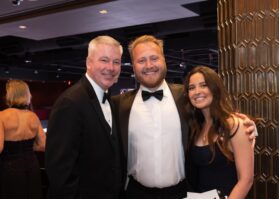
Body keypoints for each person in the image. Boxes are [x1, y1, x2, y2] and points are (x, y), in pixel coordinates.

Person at [112, 35, 257, 199]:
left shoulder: (187, 96)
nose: (149, 65)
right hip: (136, 193)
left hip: (183, 192)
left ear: (164, 60)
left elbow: (216, 117)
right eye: (141, 60)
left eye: (154, 58)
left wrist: (248, 126)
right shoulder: (118, 105)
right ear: (133, 66)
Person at [45, 36, 124, 199]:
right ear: (89, 62)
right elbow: (60, 173)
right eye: (104, 60)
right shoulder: (70, 102)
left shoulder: (109, 98)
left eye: (116, 62)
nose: (111, 67)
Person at [184, 66, 254, 198]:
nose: (197, 91)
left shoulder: (234, 125)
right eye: (191, 88)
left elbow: (246, 180)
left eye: (203, 85)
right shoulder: (197, 127)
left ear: (215, 89)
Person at [0, 79, 46, 199]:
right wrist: (28, 148)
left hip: (9, 169)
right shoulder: (33, 116)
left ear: (9, 95)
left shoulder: (2, 117)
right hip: (32, 166)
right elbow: (43, 145)